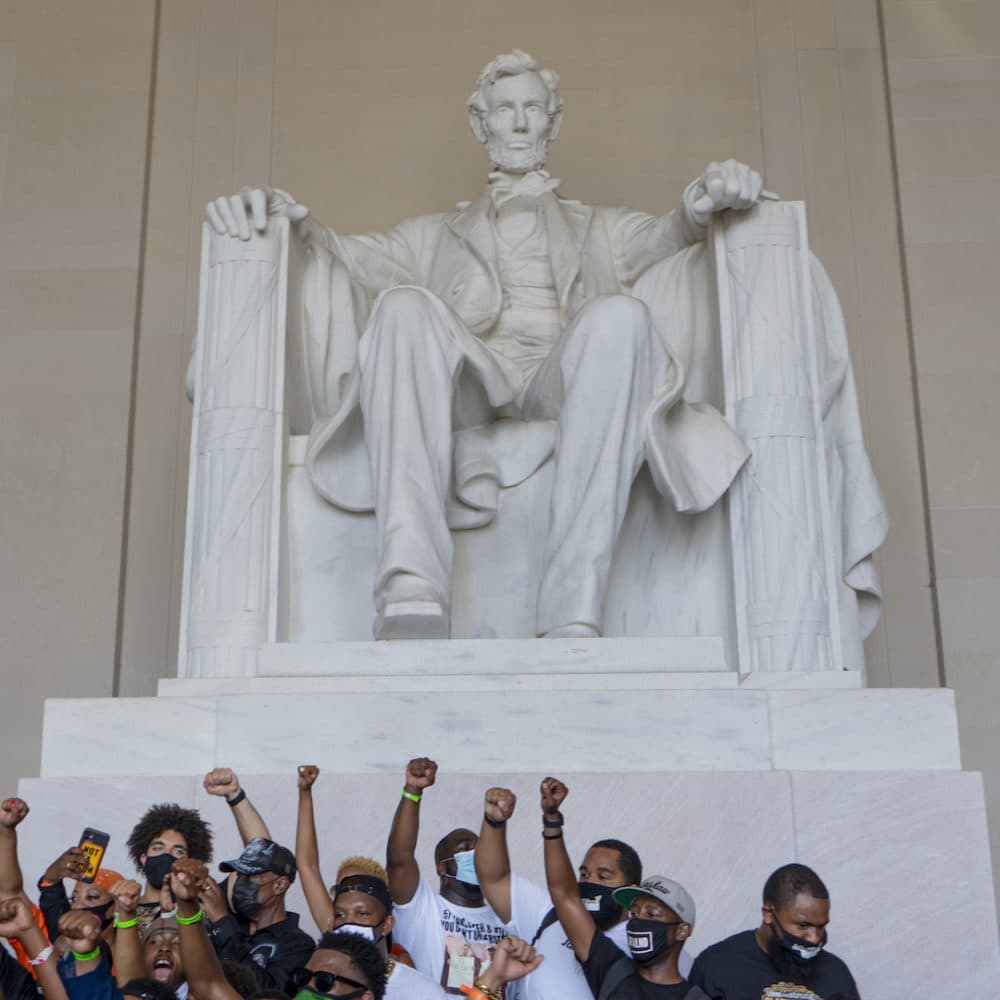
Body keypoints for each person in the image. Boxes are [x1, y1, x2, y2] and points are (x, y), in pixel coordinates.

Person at [207, 48, 760, 640]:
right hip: (472, 384)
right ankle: (411, 587)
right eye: (504, 110)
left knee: (621, 317)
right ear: (481, 124)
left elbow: (667, 234)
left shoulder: (603, 229)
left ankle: (572, 606)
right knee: (403, 306)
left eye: (532, 109)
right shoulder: (428, 237)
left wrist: (703, 201)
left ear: (554, 121)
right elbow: (344, 255)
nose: (519, 123)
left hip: (563, 384)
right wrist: (283, 216)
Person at [474, 783, 657, 1000]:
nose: (591, 883)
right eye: (584, 875)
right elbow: (494, 879)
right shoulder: (549, 912)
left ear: (631, 892)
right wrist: (494, 822)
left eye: (604, 876)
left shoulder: (646, 941)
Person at [540, 778, 706, 1000]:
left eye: (652, 914)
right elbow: (565, 896)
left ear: (682, 930)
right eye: (635, 913)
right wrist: (552, 821)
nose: (638, 921)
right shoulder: (613, 972)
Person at [385, 758, 509, 995]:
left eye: (480, 851)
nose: (475, 856)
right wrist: (413, 791)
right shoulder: (421, 909)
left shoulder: (505, 920)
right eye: (464, 850)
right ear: (440, 867)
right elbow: (399, 859)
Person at [293, 765, 415, 968]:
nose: (350, 898)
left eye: (362, 910)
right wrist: (305, 793)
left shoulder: (400, 959)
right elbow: (307, 865)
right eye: (343, 890)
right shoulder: (336, 927)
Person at [687, 864, 860, 1000]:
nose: (814, 939)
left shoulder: (836, 972)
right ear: (768, 914)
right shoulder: (717, 965)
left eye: (821, 926)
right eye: (803, 926)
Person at [203, 838, 314, 992]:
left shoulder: (298, 944)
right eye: (239, 875)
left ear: (280, 885)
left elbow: (268, 992)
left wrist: (222, 922)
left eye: (251, 877)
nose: (241, 883)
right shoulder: (229, 926)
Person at [331, 872, 446, 999]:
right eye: (340, 915)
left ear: (387, 924)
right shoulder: (321, 982)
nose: (348, 921)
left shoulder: (423, 992)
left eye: (362, 913)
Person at [125, 805, 214, 930]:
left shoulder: (200, 911)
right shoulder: (125, 907)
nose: (166, 855)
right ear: (143, 858)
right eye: (158, 848)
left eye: (178, 852)